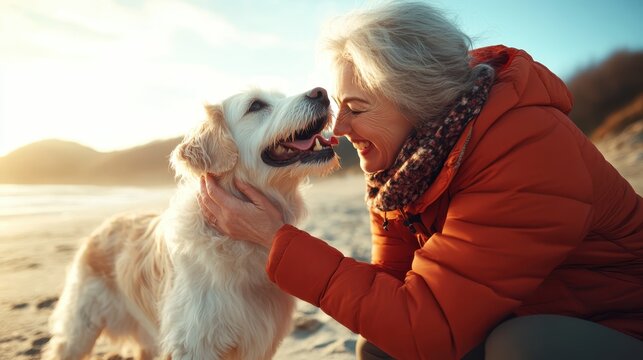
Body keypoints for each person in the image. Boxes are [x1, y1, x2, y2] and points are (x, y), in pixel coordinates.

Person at [197, 2, 643, 359]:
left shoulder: (527, 149)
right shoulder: (403, 170)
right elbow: (391, 291)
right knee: (380, 345)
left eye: (357, 107)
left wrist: (276, 240)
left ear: (417, 99)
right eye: (340, 106)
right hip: (515, 309)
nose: (341, 129)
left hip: (618, 323)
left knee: (526, 346)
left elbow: (424, 328)